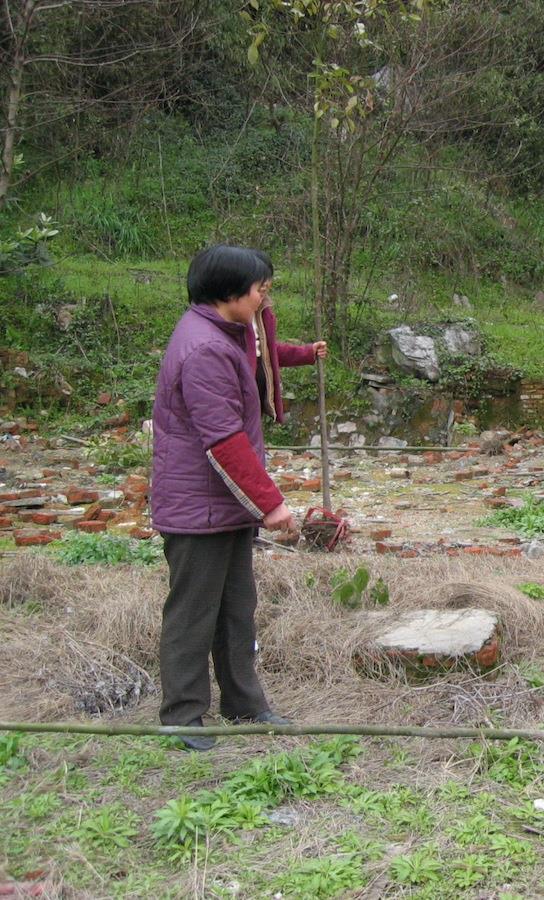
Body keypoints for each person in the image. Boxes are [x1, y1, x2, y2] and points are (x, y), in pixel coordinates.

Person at [151, 244, 298, 751]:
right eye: (260, 289)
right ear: (229, 292)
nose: (264, 297)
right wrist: (271, 503)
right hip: (199, 508)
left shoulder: (227, 333)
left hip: (224, 505)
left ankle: (243, 703)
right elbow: (223, 440)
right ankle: (183, 717)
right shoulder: (206, 348)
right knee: (194, 613)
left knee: (237, 607)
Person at [247, 250, 327, 425]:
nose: (263, 293)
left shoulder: (262, 311)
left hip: (257, 396)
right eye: (260, 288)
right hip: (241, 397)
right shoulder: (233, 318)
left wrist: (307, 352)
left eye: (266, 288)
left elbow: (267, 350)